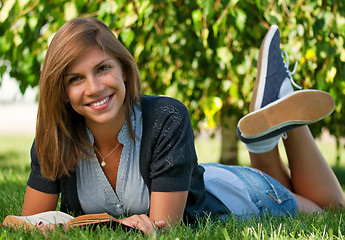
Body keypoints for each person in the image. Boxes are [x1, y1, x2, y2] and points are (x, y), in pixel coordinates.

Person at [21, 18, 345, 235]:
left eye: (102, 68)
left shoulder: (166, 116)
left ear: (123, 69)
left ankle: (282, 102)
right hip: (198, 175)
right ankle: (265, 131)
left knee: (330, 207)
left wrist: (76, 225)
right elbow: (26, 222)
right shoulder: (55, 141)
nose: (92, 88)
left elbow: (163, 226)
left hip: (238, 193)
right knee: (295, 186)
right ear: (60, 92)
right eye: (75, 79)